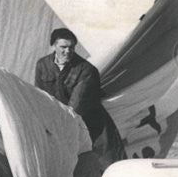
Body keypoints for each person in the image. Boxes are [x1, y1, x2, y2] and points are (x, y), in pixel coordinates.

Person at [34, 27, 126, 168]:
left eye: (71, 47)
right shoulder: (42, 65)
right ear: (53, 46)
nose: (68, 51)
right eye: (63, 47)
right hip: (58, 121)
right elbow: (39, 96)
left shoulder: (87, 70)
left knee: (105, 163)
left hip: (90, 124)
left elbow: (75, 107)